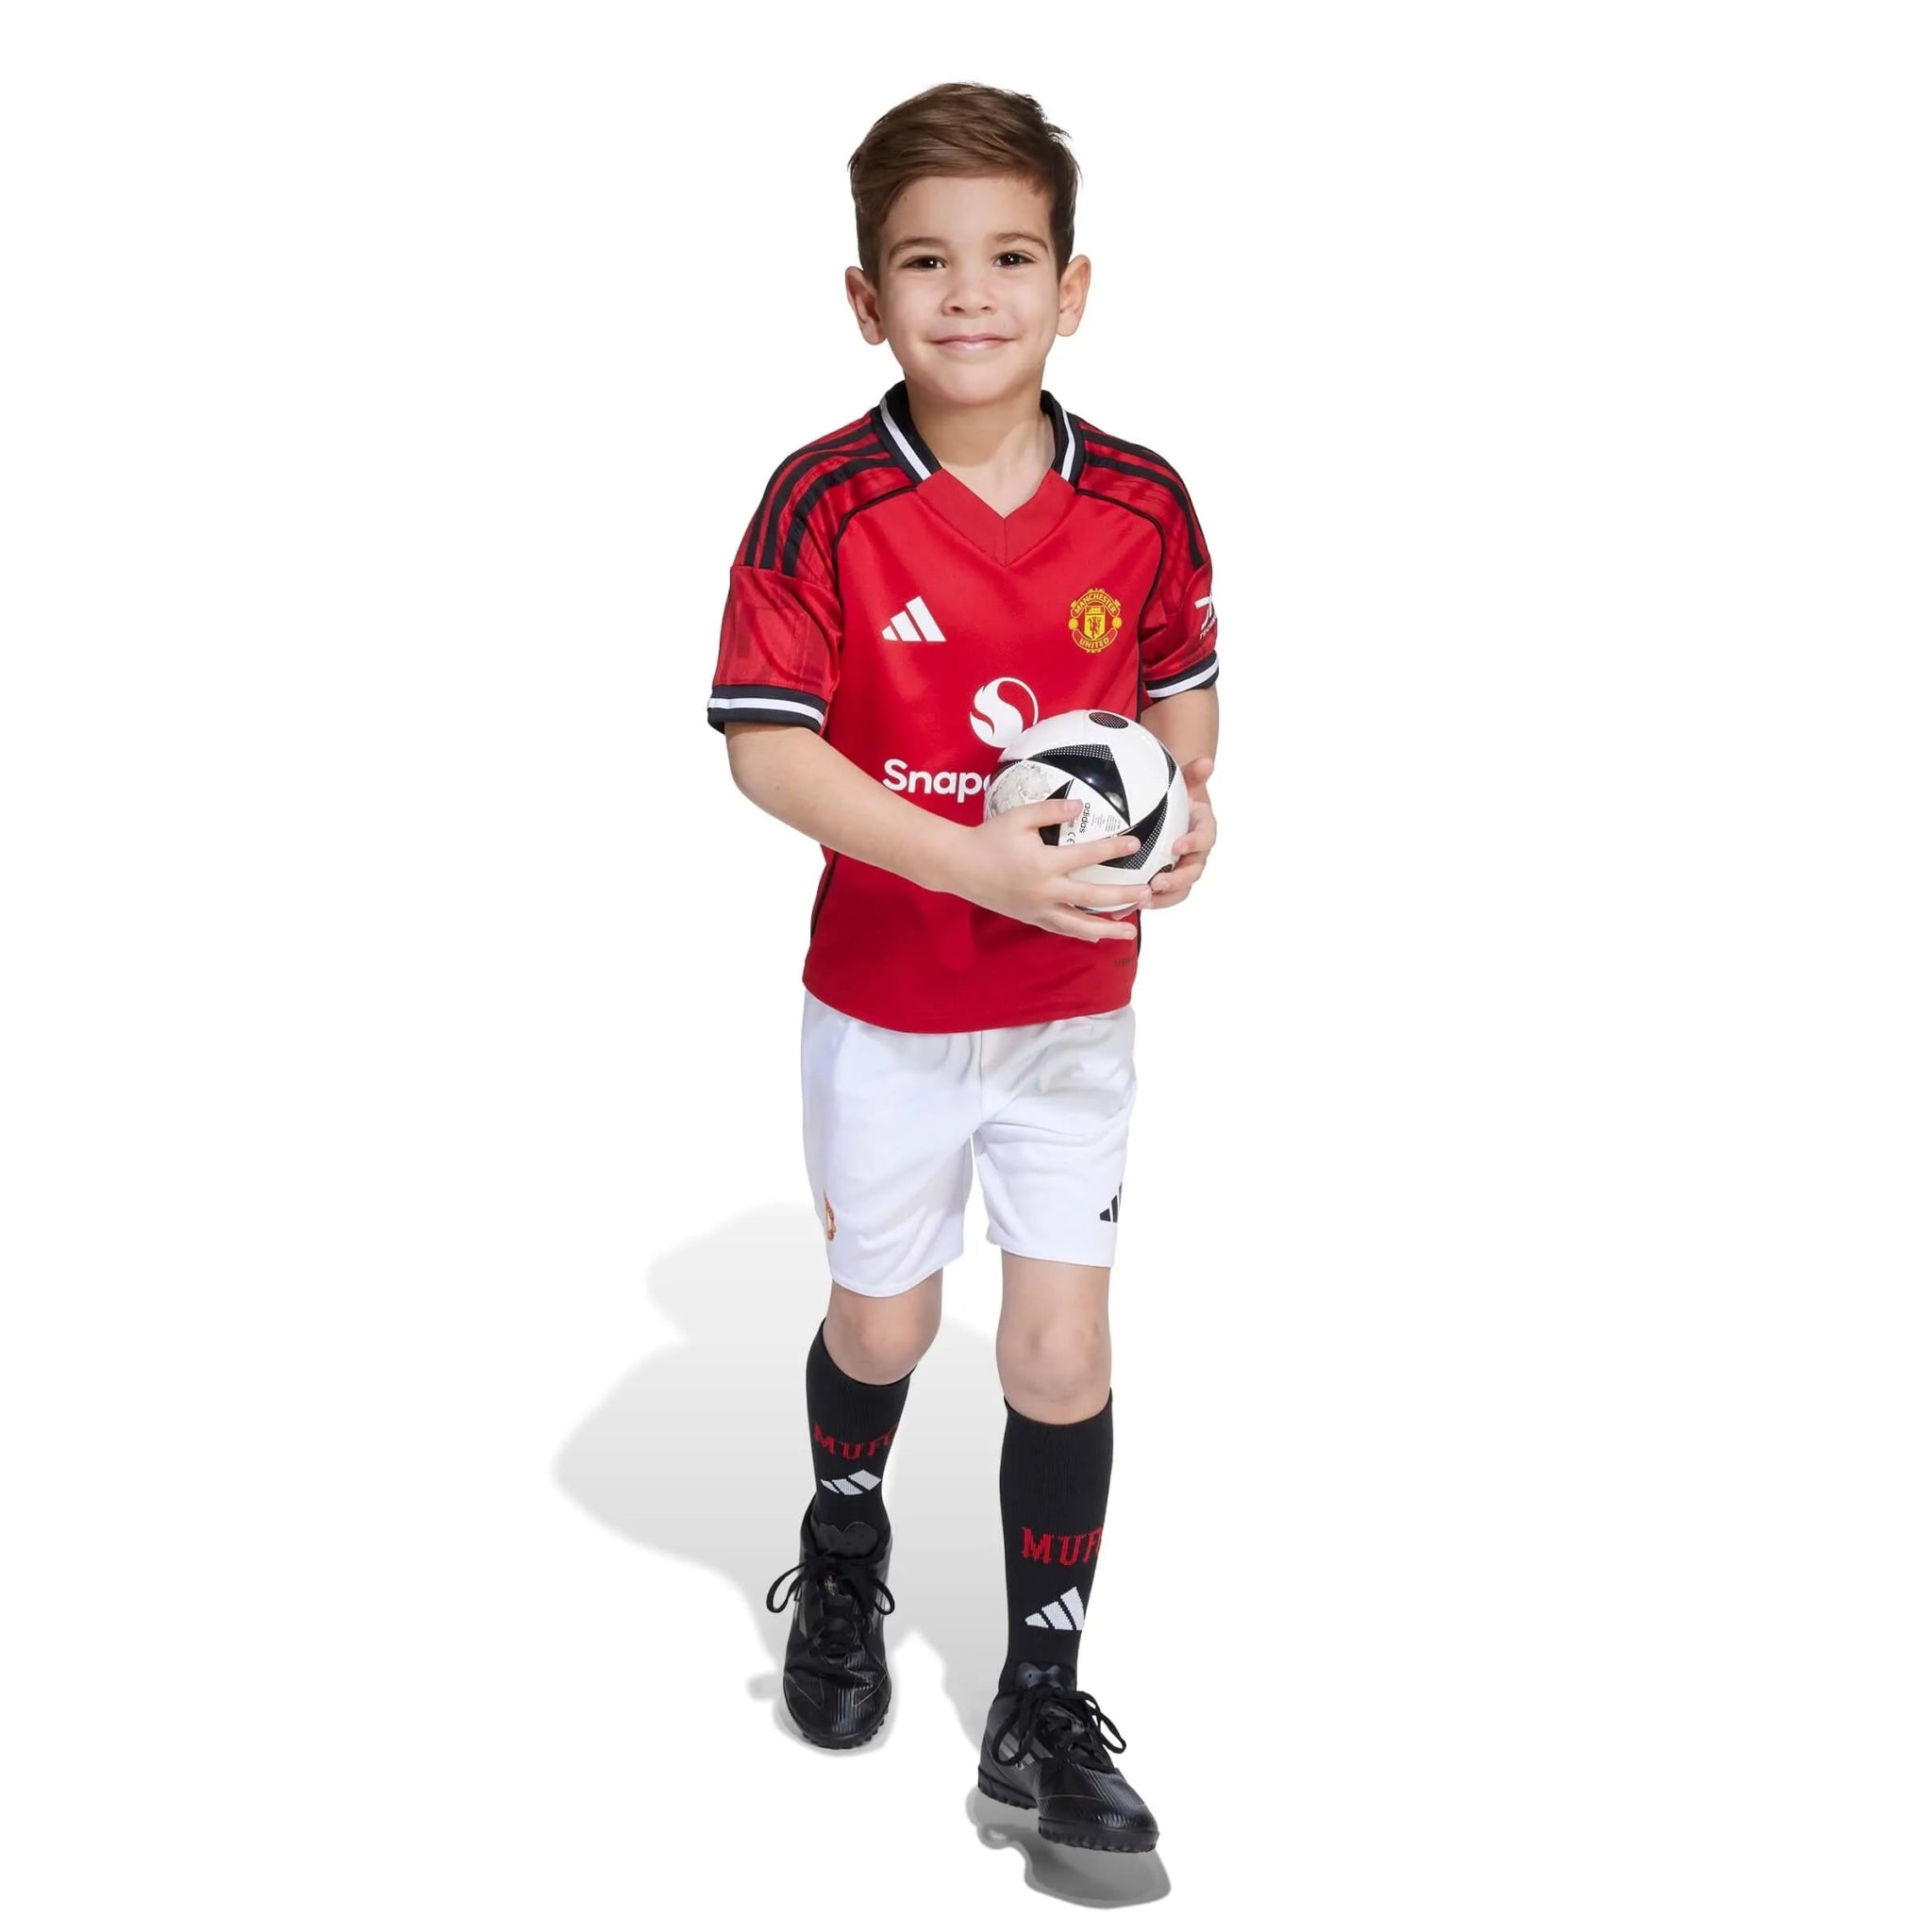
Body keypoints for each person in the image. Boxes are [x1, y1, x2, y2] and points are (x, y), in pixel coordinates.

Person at [712, 81, 1220, 1856]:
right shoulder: (825, 502)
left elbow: (1178, 699)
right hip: (891, 1005)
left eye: (1011, 257)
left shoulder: (1142, 501)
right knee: (889, 1322)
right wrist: (974, 861)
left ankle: (1040, 1698)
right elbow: (767, 748)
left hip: (1073, 1013)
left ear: (1071, 286)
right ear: (869, 300)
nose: (972, 294)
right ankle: (845, 1542)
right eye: (926, 262)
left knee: (1061, 1353)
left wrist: (1190, 809)